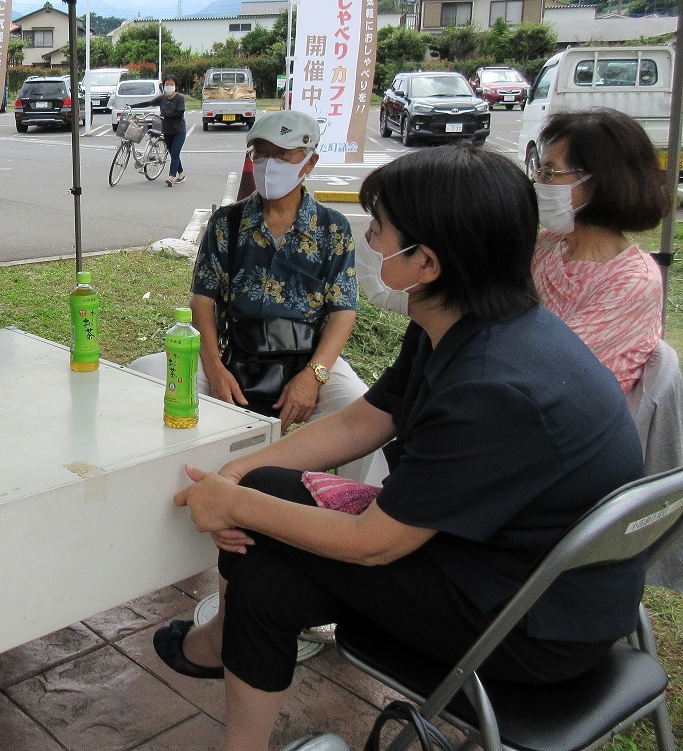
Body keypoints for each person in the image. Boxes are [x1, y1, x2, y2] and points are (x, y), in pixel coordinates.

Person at [155, 145, 645, 751]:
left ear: (427, 263)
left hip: (530, 624)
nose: (372, 239)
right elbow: (371, 416)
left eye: (381, 230)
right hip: (494, 558)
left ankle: (225, 666)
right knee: (264, 529)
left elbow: (374, 545)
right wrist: (241, 470)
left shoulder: (496, 386)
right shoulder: (462, 322)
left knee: (264, 548)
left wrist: (232, 505)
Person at [132, 110, 367, 446]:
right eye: (261, 153)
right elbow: (202, 301)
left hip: (307, 358)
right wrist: (214, 369)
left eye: (283, 154)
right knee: (144, 376)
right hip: (233, 352)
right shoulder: (226, 223)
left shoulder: (332, 228)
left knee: (367, 413)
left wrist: (314, 377)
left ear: (310, 163)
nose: (270, 164)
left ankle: (361, 498)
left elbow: (343, 310)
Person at [531, 109, 672, 393]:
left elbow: (549, 363)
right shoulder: (549, 244)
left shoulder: (634, 280)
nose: (538, 183)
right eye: (539, 171)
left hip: (570, 423)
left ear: (597, 182)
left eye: (550, 173)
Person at [154, 74, 187, 186]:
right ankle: (181, 174)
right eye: (167, 84)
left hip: (179, 130)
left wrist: (164, 115)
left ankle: (171, 177)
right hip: (167, 131)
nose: (169, 86)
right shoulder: (162, 98)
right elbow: (149, 103)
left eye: (171, 84)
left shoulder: (180, 98)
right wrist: (131, 106)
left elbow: (180, 113)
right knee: (174, 154)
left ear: (176, 86)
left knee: (175, 153)